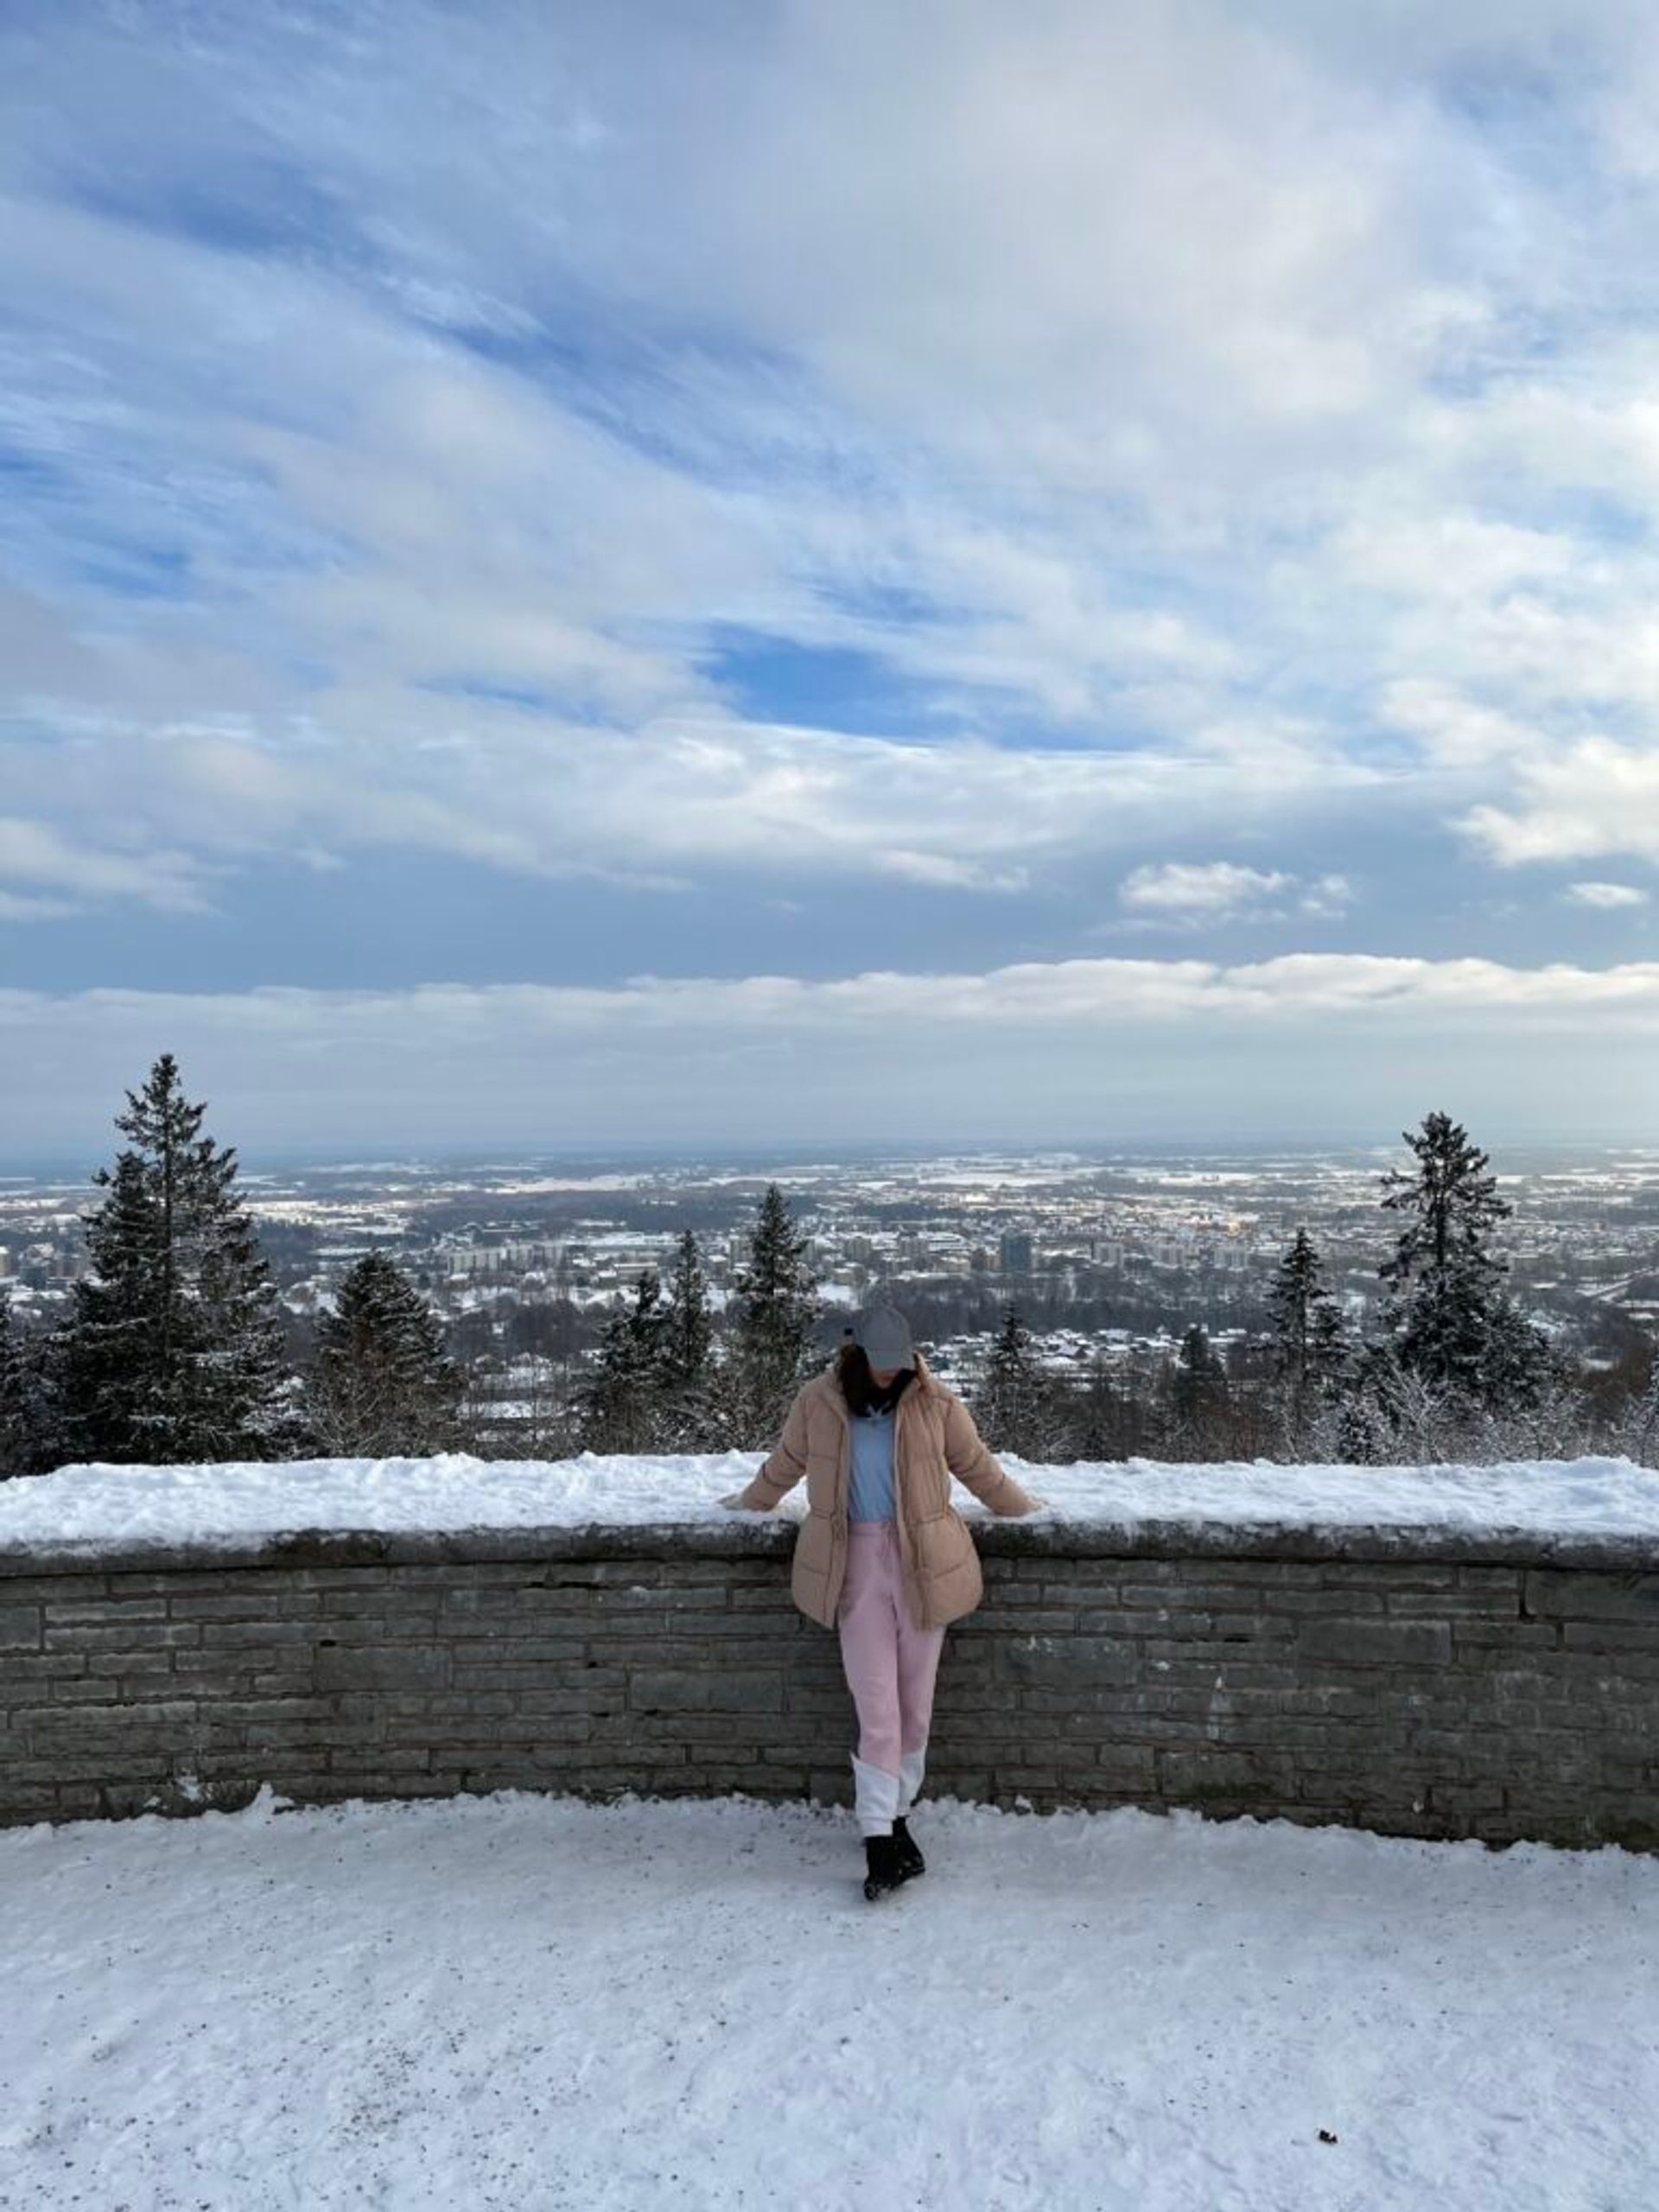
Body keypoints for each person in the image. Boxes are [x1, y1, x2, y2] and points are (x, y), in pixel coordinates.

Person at [721, 1302, 1044, 1901]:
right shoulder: (818, 1403)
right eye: (881, 1363)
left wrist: (1023, 1507)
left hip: (925, 1565)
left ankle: (896, 1819)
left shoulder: (936, 1402)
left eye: (899, 1364)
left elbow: (975, 1467)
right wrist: (750, 1502)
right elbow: (787, 1463)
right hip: (853, 1565)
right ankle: (878, 1843)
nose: (891, 1374)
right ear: (857, 1353)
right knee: (876, 1707)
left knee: (914, 1708)